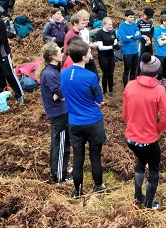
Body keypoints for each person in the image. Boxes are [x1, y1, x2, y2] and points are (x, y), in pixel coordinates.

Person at [123, 52, 166, 210]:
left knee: (141, 161)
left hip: (131, 139)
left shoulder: (129, 85)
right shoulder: (159, 90)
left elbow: (125, 115)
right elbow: (165, 119)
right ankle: (149, 205)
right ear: (157, 72)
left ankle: (137, 198)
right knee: (154, 168)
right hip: (149, 140)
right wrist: (154, 130)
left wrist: (134, 126)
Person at [60, 40, 106, 197]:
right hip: (93, 120)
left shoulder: (63, 74)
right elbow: (99, 100)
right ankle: (99, 185)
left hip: (74, 122)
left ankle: (77, 191)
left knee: (78, 158)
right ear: (84, 56)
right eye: (89, 52)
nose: (90, 54)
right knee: (95, 156)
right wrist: (97, 101)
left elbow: (65, 94)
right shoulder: (91, 76)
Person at [38, 42, 71, 184]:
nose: (62, 53)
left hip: (59, 111)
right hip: (59, 113)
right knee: (61, 144)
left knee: (57, 142)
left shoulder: (53, 70)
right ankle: (59, 176)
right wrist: (62, 94)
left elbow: (60, 90)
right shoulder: (50, 74)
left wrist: (61, 93)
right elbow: (62, 94)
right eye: (59, 52)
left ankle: (57, 170)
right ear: (52, 56)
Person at [94, 17, 120, 97]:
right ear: (104, 25)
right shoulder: (99, 33)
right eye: (109, 25)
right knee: (105, 74)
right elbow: (100, 47)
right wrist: (112, 47)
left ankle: (111, 90)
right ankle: (104, 91)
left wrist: (116, 44)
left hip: (111, 56)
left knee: (111, 73)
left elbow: (115, 41)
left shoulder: (112, 32)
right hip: (103, 56)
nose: (111, 26)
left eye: (111, 24)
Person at [119, 10, 142, 87]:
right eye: (130, 17)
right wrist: (134, 37)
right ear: (126, 17)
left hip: (135, 51)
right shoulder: (122, 26)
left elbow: (139, 35)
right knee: (127, 70)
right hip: (127, 51)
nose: (132, 18)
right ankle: (125, 86)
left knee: (133, 70)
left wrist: (131, 37)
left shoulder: (134, 25)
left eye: (133, 17)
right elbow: (124, 39)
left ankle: (132, 86)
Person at [154, 14, 166, 87]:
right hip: (159, 53)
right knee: (160, 71)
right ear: (163, 22)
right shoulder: (157, 30)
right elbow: (160, 43)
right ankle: (158, 85)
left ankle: (164, 85)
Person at [136, 8, 154, 75]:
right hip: (141, 41)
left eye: (150, 17)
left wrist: (149, 38)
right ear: (144, 14)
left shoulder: (151, 21)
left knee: (150, 56)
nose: (148, 19)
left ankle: (148, 72)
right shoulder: (138, 21)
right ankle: (138, 74)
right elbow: (136, 32)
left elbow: (152, 32)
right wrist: (143, 36)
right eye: (147, 17)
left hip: (149, 41)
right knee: (140, 57)